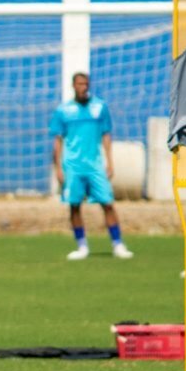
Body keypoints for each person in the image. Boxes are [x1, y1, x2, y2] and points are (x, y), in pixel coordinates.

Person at [50, 72, 133, 260]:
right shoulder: (64, 110)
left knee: (108, 204)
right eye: (80, 84)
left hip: (95, 165)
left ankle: (118, 244)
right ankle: (82, 246)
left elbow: (106, 134)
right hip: (72, 165)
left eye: (86, 84)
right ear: (73, 86)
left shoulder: (99, 107)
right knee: (74, 205)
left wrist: (110, 161)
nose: (83, 87)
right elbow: (58, 141)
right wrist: (58, 168)